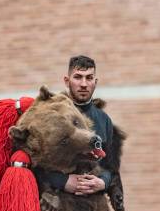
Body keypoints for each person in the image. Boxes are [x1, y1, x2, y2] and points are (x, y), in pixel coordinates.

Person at [35, 55, 116, 197]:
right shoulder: (51, 113)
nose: (84, 84)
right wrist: (63, 181)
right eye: (78, 77)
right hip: (54, 204)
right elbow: (34, 164)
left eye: (89, 78)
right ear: (67, 81)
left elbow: (110, 167)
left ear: (95, 82)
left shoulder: (104, 120)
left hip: (93, 209)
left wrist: (103, 182)